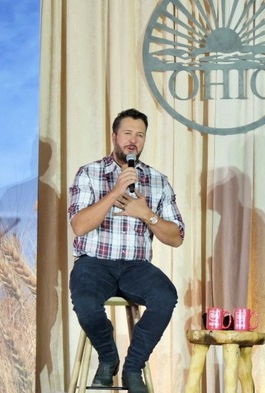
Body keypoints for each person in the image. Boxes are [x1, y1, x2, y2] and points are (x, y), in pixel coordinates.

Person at [68, 108, 185, 392]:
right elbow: (79, 226)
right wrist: (114, 193)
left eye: (140, 135)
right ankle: (108, 358)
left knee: (165, 297)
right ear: (114, 137)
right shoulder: (90, 173)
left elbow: (177, 237)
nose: (133, 140)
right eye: (128, 134)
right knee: (84, 301)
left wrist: (147, 215)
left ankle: (134, 368)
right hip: (94, 263)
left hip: (136, 266)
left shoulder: (157, 180)